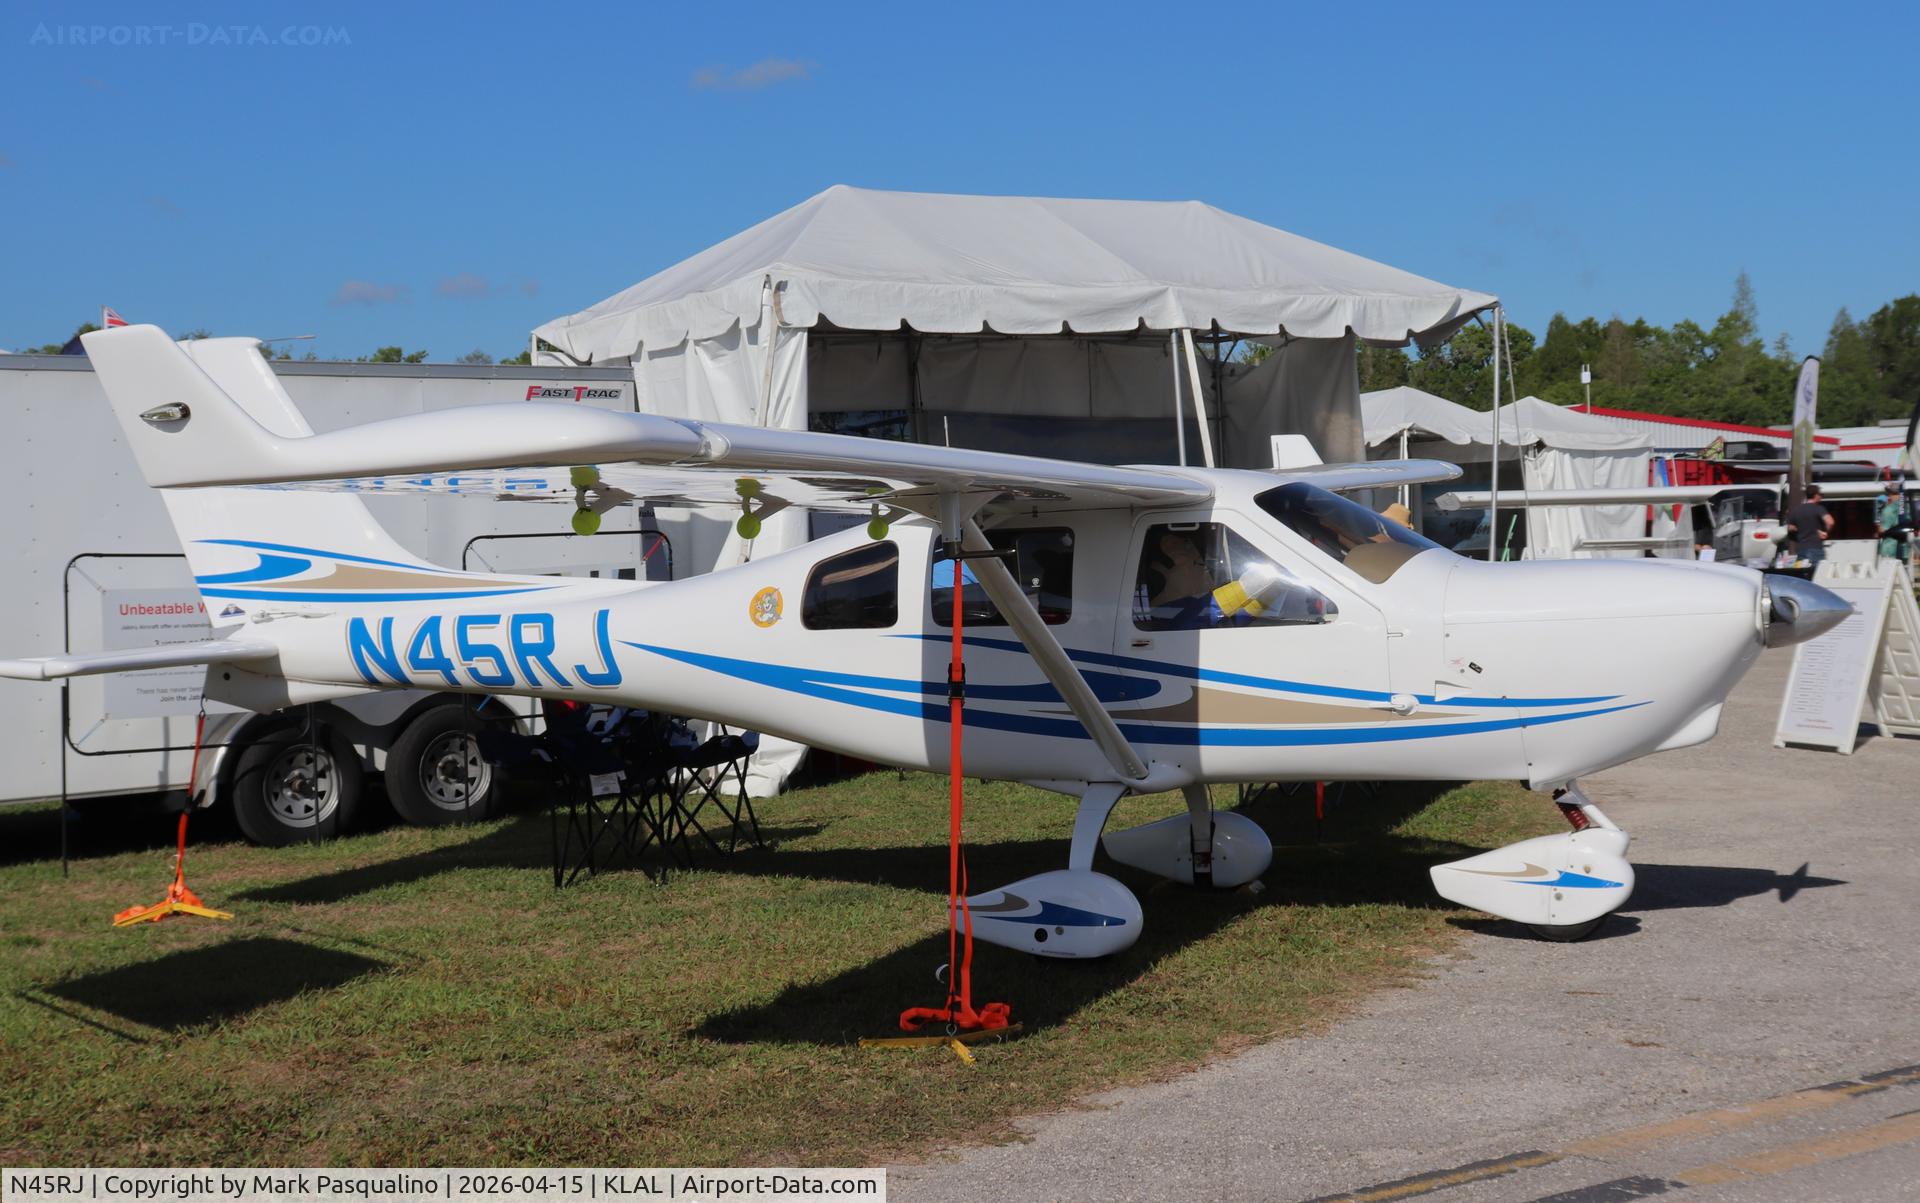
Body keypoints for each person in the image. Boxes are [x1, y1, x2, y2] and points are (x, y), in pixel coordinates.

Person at [1785, 485, 1834, 567]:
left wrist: (1798, 535)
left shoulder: (1796, 510)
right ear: (1816, 495)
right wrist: (1825, 532)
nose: (1821, 497)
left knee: (1804, 575)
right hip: (1816, 548)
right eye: (1820, 495)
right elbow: (1830, 522)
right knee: (1817, 575)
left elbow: (1790, 528)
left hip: (1801, 549)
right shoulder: (1818, 508)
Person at [1875, 480, 1909, 561]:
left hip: (1890, 551)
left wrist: (1878, 528)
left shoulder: (1889, 509)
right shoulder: (1908, 508)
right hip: (1905, 551)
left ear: (1891, 494)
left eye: (1889, 494)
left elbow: (1883, 530)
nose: (1888, 496)